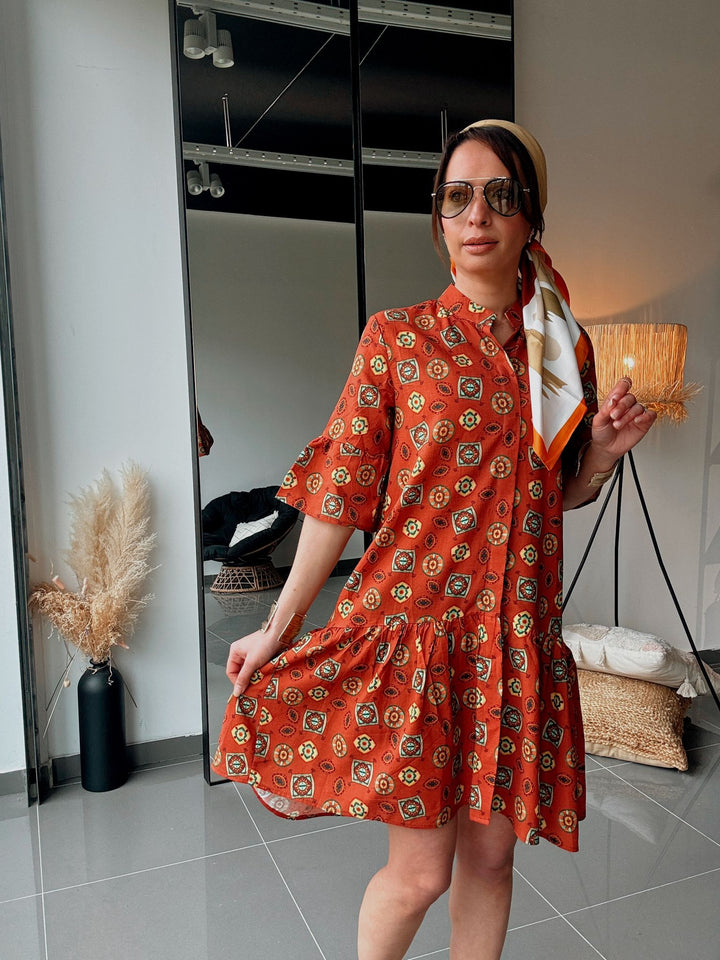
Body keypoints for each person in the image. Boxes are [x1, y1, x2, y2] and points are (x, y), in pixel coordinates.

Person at [212, 119, 656, 959]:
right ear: (438, 220)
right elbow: (339, 492)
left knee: (490, 863)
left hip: (513, 640)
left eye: (499, 194)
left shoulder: (563, 352)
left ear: (530, 217)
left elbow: (552, 497)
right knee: (421, 873)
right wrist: (280, 626)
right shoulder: (396, 340)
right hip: (415, 639)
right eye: (457, 196)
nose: (476, 212)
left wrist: (598, 452)